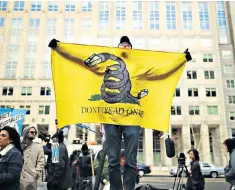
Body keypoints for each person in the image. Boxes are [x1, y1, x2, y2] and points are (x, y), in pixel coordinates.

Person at [20, 126, 45, 190]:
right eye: (32, 132)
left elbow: (41, 161)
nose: (34, 133)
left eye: (35, 132)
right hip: (19, 178)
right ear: (26, 133)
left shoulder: (38, 147)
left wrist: (36, 173)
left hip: (31, 179)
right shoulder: (19, 146)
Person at [0, 126, 24, 190]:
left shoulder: (15, 153)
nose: (0, 137)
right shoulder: (1, 152)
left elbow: (13, 175)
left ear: (11, 139)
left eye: (3, 136)